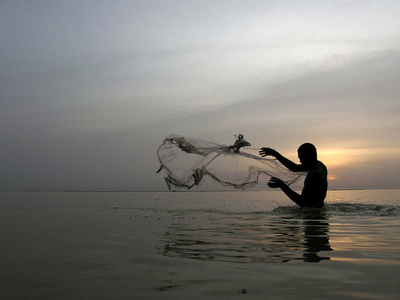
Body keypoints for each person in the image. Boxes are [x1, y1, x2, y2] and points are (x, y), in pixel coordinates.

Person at [259, 143, 328, 208]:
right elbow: (294, 168)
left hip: (313, 217)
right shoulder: (319, 166)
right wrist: (275, 154)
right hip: (317, 212)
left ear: (309, 157)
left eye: (301, 158)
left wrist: (282, 185)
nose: (300, 161)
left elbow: (303, 203)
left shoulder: (316, 174)